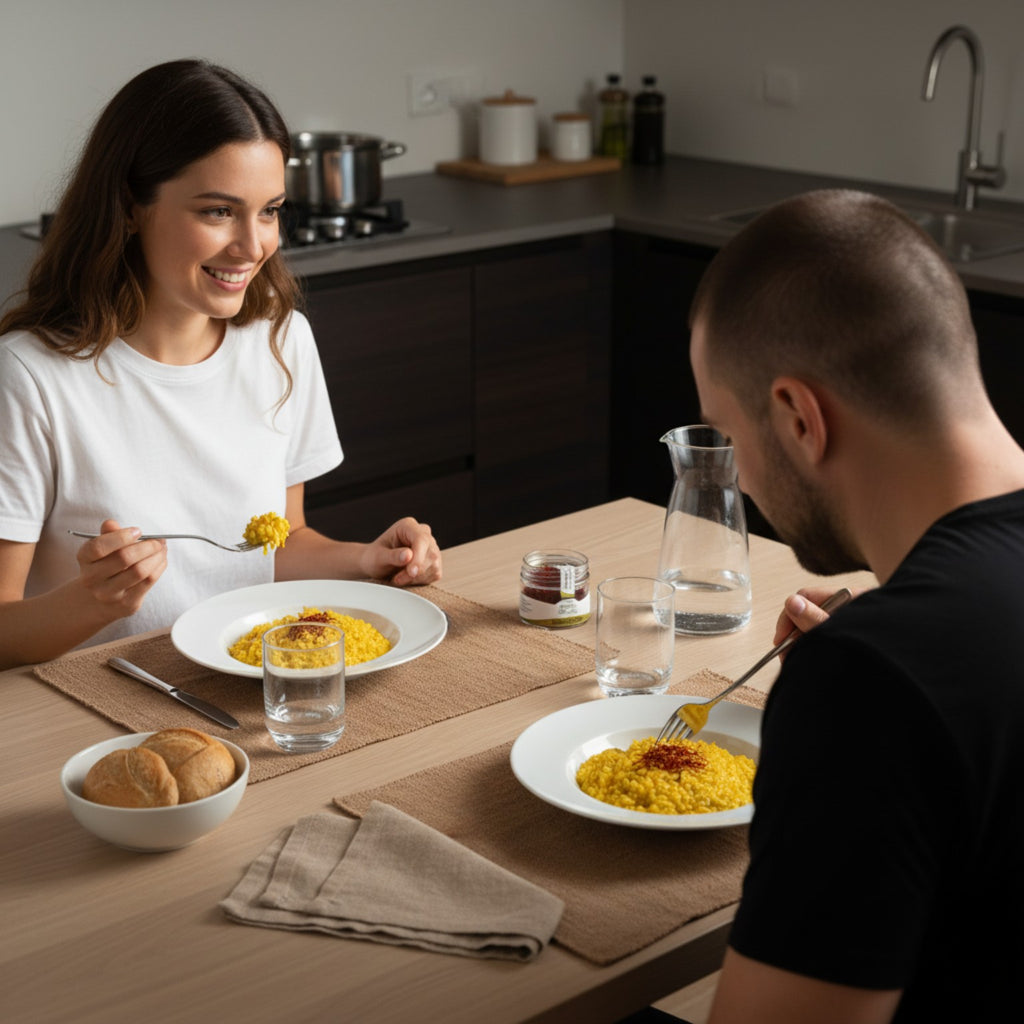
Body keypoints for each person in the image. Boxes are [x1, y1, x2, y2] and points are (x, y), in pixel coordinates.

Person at [682, 189, 1024, 1022]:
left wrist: (853, 693)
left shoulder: (872, 681)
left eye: (728, 437)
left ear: (798, 417)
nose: (745, 483)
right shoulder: (898, 658)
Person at [0, 59, 441, 670]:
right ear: (131, 206)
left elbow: (272, 548)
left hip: (249, 687)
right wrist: (93, 602)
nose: (253, 245)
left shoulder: (281, 341)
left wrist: (366, 559)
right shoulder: (30, 377)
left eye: (270, 210)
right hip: (95, 705)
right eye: (217, 211)